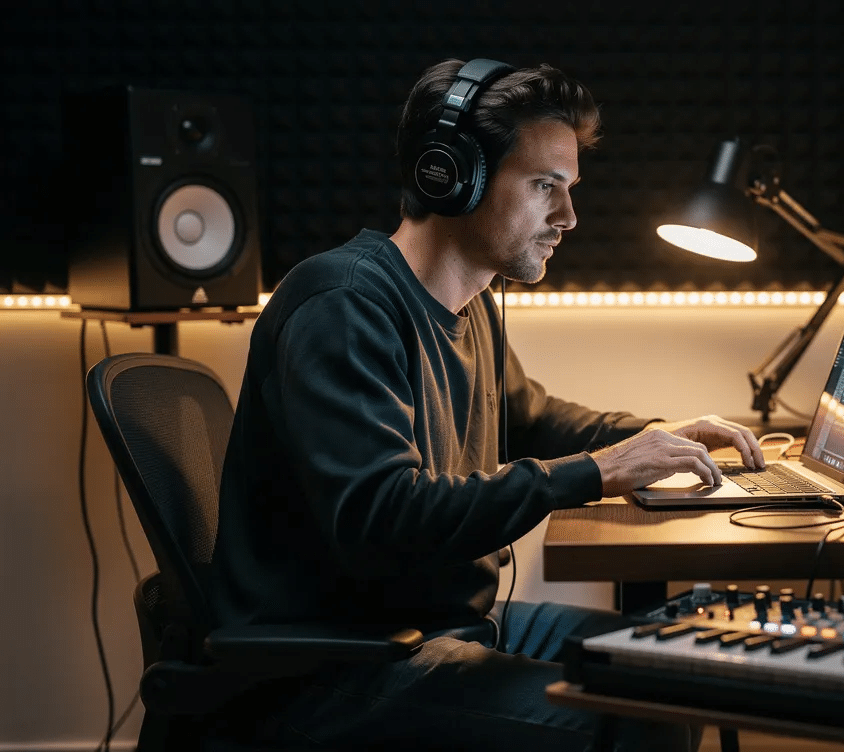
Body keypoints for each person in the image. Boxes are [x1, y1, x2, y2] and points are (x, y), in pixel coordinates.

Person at [210, 57, 764, 750]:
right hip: (344, 669)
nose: (568, 217)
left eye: (568, 189)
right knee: (645, 719)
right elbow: (383, 514)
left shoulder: (468, 306)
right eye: (544, 186)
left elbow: (532, 418)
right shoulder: (345, 306)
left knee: (677, 668)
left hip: (445, 625)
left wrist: (657, 434)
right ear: (450, 176)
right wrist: (595, 472)